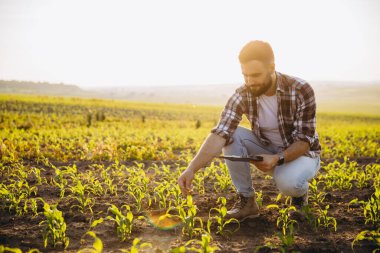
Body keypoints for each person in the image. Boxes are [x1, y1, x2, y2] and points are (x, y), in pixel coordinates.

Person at [177, 40, 321, 221]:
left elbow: (304, 141)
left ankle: (299, 197)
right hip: (267, 148)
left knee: (289, 184)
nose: (250, 82)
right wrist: (191, 169)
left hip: (302, 155)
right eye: (245, 75)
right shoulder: (243, 93)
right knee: (231, 135)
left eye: (255, 75)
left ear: (272, 67)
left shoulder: (300, 90)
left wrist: (277, 159)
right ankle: (247, 201)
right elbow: (220, 132)